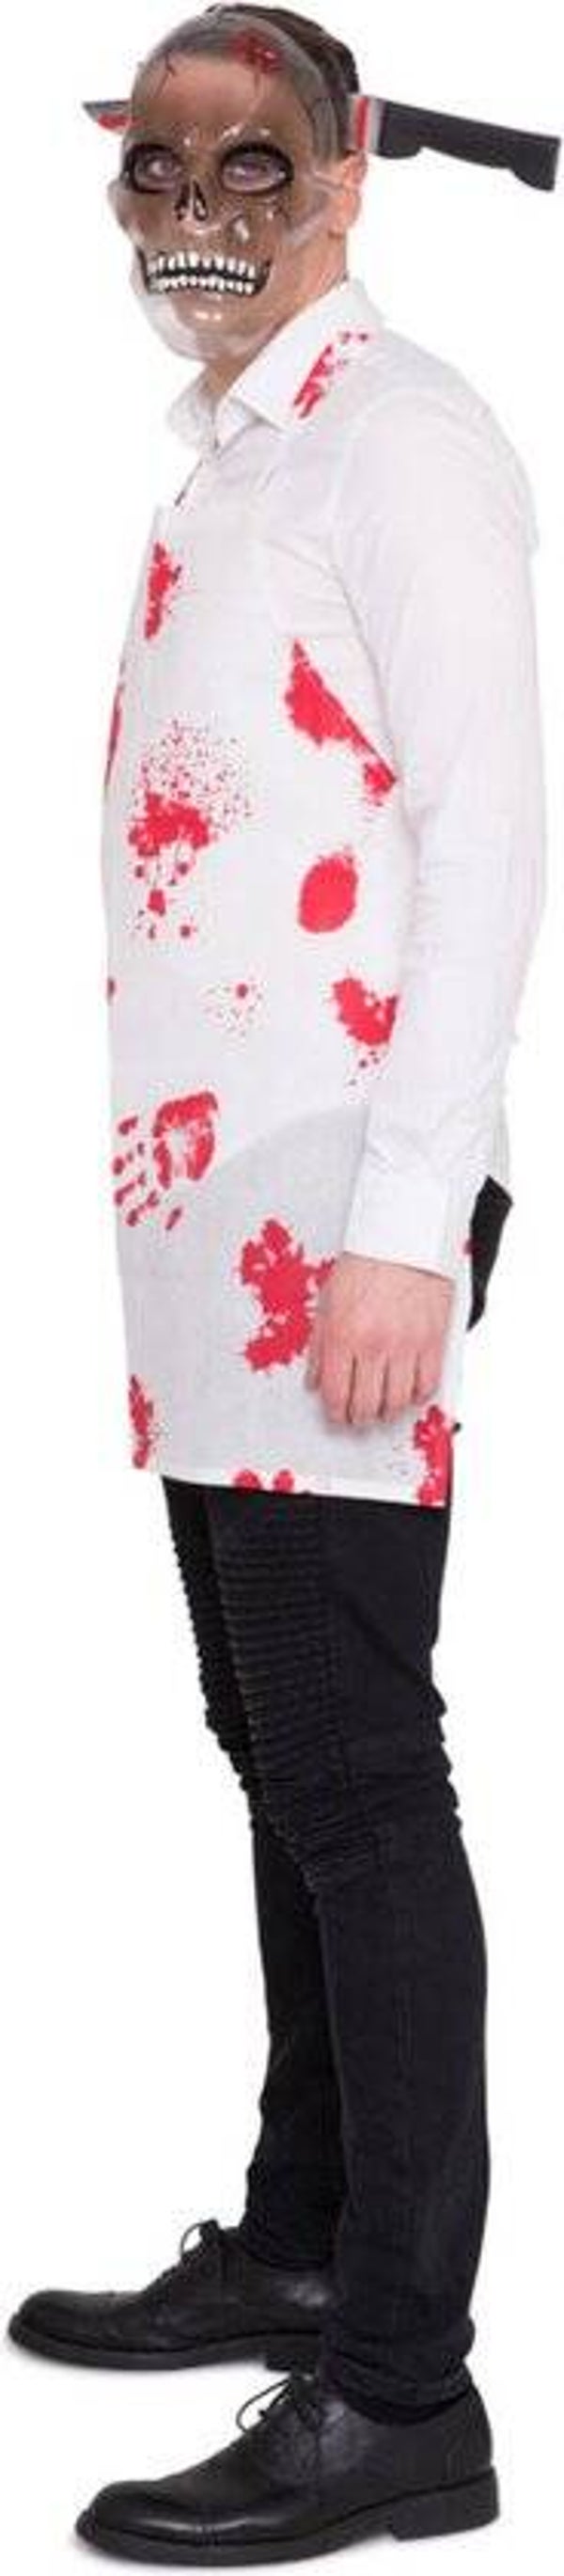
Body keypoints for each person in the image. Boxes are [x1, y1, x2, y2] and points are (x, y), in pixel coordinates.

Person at [8, 6, 547, 2557]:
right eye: (159, 165)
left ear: (344, 177)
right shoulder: (242, 455)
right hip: (211, 1225)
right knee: (272, 1739)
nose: (198, 209)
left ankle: (403, 2387)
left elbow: (489, 840)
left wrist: (404, 1226)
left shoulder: (403, 440)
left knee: (352, 1766)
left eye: (253, 159)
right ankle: (309, 2235)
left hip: (338, 1224)